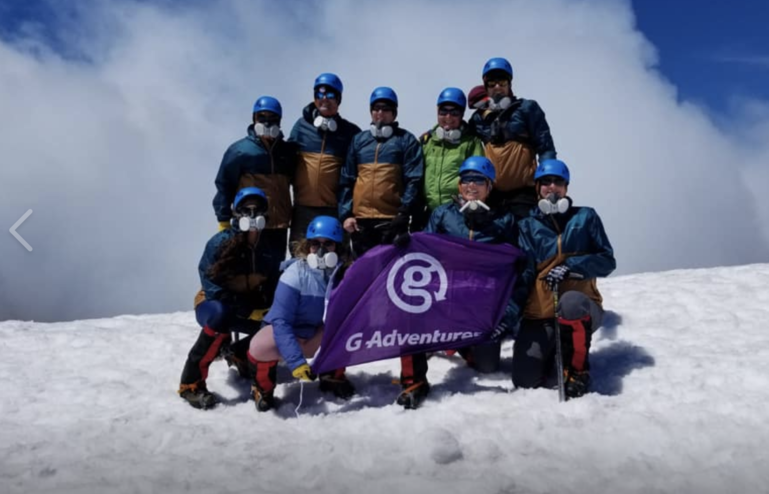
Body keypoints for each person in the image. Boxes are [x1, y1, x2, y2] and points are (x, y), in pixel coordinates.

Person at [396, 156, 523, 409]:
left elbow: (515, 276)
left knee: (486, 365)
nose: (471, 186)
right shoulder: (443, 214)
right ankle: (414, 381)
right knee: (410, 314)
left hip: (480, 308)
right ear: (459, 184)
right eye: (466, 180)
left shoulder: (504, 222)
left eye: (478, 180)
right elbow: (424, 256)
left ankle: (463, 346)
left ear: (490, 186)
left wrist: (505, 319)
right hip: (447, 299)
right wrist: (405, 245)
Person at [513, 159, 616, 399]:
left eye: (558, 182)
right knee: (524, 380)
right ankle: (554, 351)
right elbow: (525, 273)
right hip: (540, 316)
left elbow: (607, 261)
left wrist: (571, 266)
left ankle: (577, 371)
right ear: (537, 188)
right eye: (546, 182)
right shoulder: (527, 226)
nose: (552, 187)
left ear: (566, 188)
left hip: (580, 308)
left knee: (570, 302)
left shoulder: (585, 217)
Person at [179, 187, 281, 409]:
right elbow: (212, 284)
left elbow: (273, 284)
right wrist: (244, 309)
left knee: (274, 325)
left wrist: (269, 309)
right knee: (221, 315)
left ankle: (242, 357)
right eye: (246, 210)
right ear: (236, 213)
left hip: (249, 306)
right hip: (213, 305)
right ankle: (191, 384)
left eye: (257, 210)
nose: (252, 216)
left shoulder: (269, 248)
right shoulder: (220, 243)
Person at [247, 216, 356, 412]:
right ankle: (263, 388)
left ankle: (332, 376)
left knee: (347, 330)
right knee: (259, 347)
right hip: (287, 332)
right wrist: (296, 362)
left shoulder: (344, 274)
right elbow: (281, 321)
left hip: (315, 333)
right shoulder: (294, 274)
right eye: (315, 244)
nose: (321, 250)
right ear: (308, 246)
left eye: (328, 244)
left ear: (337, 246)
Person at [338, 86, 424, 256]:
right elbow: (346, 180)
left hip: (390, 221)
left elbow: (414, 180)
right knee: (362, 271)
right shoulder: (358, 141)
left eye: (386, 109)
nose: (380, 113)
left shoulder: (406, 140)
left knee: (388, 273)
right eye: (376, 109)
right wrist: (346, 215)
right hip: (360, 222)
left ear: (394, 113)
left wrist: (403, 213)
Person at [469, 57, 557, 219]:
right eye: (491, 84)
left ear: (510, 84)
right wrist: (431, 134)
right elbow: (460, 134)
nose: (497, 87)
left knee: (524, 239)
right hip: (493, 196)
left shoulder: (527, 109)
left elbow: (546, 148)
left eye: (502, 82)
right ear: (486, 87)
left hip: (524, 195)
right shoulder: (478, 119)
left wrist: (550, 184)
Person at [213, 95, 296, 263]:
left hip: (278, 227)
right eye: (262, 117)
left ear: (279, 121)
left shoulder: (287, 152)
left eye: (272, 118)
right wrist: (223, 220)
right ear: (254, 118)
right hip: (248, 223)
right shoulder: (240, 151)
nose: (267, 123)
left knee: (273, 274)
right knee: (242, 267)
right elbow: (224, 185)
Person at [288, 73, 361, 249]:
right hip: (303, 208)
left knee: (335, 258)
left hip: (334, 210)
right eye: (319, 95)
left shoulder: (350, 132)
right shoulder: (300, 127)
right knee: (300, 257)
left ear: (338, 99)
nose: (324, 99)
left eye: (330, 95)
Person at [419, 87, 485, 219]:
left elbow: (478, 176)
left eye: (454, 112)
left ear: (461, 115)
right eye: (443, 111)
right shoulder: (427, 142)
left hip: (458, 214)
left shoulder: (471, 142)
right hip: (429, 214)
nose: (448, 117)